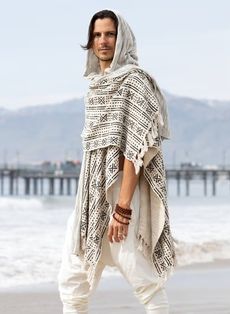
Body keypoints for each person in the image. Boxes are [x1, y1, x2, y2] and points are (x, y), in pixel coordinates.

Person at [58, 9, 176, 314]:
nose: (103, 41)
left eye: (110, 34)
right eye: (97, 35)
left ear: (122, 38)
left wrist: (122, 209)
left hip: (121, 192)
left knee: (140, 275)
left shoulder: (135, 82)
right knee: (73, 276)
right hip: (89, 194)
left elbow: (135, 149)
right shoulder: (94, 87)